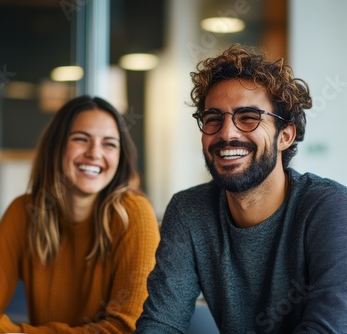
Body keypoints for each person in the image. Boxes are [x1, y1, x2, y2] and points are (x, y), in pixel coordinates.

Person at [135, 44, 347, 333]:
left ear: (285, 135)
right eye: (213, 119)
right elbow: (161, 324)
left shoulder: (329, 208)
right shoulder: (188, 211)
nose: (226, 133)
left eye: (248, 117)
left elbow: (328, 328)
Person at [0, 95, 160, 333]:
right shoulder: (24, 213)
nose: (95, 153)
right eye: (81, 139)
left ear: (120, 157)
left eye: (109, 144)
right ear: (56, 147)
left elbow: (127, 328)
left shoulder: (133, 213)